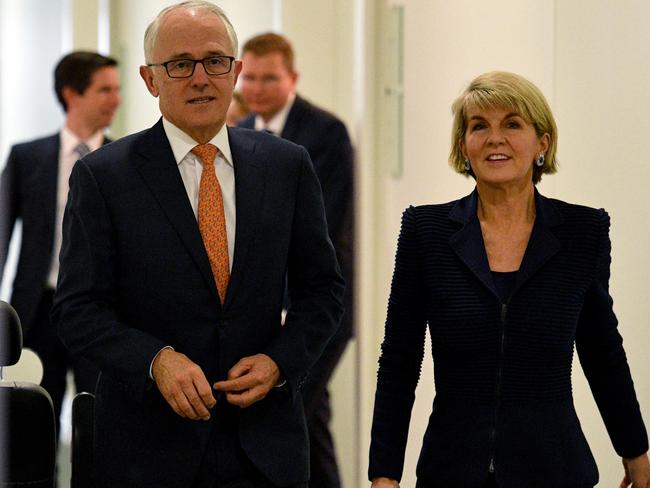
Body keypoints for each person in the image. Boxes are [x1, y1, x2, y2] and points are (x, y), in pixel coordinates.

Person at [52, 2, 344, 487]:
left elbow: (324, 292)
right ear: (150, 80)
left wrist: (279, 362)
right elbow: (77, 309)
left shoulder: (287, 166)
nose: (201, 78)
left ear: (236, 71)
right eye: (180, 65)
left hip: (264, 449)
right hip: (149, 449)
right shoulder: (104, 176)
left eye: (214, 61)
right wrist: (154, 360)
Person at [368, 71, 650, 488]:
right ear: (463, 146)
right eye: (479, 126)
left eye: (512, 124)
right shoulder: (425, 231)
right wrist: (384, 473)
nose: (494, 138)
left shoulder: (582, 232)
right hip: (451, 471)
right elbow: (398, 360)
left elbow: (602, 351)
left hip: (556, 470)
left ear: (543, 143)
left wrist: (636, 452)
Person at [238, 32, 354, 488]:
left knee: (287, 417)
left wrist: (289, 307)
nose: (258, 87)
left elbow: (321, 229)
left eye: (270, 78)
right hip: (264, 308)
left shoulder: (324, 132)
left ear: (293, 78)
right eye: (250, 77)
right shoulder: (240, 132)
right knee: (311, 418)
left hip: (314, 309)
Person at [0, 51, 120, 440]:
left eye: (116, 90)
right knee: (34, 427)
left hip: (103, 312)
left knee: (98, 422)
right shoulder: (27, 157)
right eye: (105, 90)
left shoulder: (125, 159)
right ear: (72, 94)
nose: (115, 99)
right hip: (38, 313)